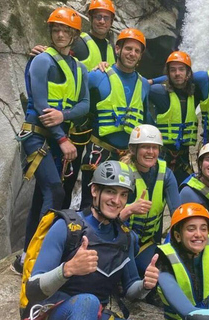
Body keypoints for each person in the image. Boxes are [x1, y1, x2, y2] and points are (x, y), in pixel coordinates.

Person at [24, 160, 160, 320]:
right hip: (54, 311)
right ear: (95, 190)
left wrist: (145, 285)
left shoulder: (125, 237)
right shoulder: (66, 227)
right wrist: (67, 269)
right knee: (88, 302)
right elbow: (32, 289)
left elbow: (131, 289)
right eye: (111, 191)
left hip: (94, 313)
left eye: (123, 194)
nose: (117, 201)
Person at [13, 7, 89, 275]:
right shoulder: (42, 61)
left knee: (41, 196)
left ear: (74, 35)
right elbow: (43, 108)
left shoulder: (79, 68)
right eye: (56, 29)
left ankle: (24, 257)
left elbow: (84, 106)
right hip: (37, 136)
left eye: (65, 30)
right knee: (56, 192)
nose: (59, 34)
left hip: (56, 139)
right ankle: (39, 260)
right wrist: (64, 138)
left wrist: (65, 115)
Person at [30, 0, 118, 209]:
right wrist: (38, 50)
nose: (102, 21)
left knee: (71, 182)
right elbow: (56, 54)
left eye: (106, 17)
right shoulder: (79, 42)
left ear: (112, 21)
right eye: (98, 16)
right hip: (68, 123)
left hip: (90, 123)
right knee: (56, 185)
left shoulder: (112, 49)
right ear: (90, 18)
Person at [80, 28, 150, 210]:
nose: (132, 54)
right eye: (128, 49)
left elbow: (147, 118)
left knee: (122, 207)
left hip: (127, 156)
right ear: (118, 49)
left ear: (141, 55)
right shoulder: (97, 76)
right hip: (99, 152)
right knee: (90, 205)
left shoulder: (144, 84)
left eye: (137, 51)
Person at [119, 124, 180, 276]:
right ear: (134, 149)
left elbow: (178, 214)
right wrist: (130, 209)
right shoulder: (122, 172)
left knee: (160, 273)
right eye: (145, 147)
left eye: (155, 147)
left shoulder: (166, 174)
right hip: (119, 241)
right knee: (130, 239)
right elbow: (105, 220)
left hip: (147, 243)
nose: (151, 152)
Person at [149, 51, 198, 184]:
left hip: (184, 159)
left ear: (188, 73)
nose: (177, 73)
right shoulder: (158, 92)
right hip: (162, 156)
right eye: (173, 70)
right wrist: (152, 81)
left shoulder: (196, 92)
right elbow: (136, 82)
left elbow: (207, 76)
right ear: (168, 73)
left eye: (181, 69)